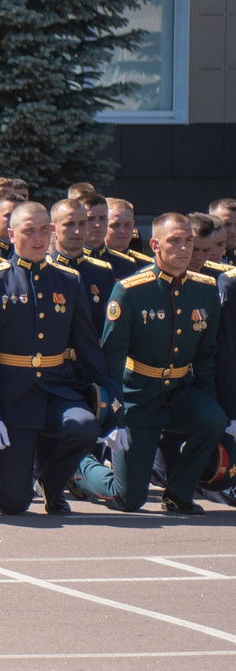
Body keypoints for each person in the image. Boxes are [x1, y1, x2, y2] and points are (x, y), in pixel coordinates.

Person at [75, 212, 224, 515]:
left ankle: (178, 493)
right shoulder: (130, 290)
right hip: (138, 397)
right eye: (175, 241)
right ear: (155, 244)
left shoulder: (205, 289)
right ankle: (76, 464)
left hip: (178, 391)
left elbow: (206, 355)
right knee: (127, 499)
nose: (184, 249)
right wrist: (113, 416)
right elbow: (112, 357)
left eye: (188, 241)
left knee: (214, 419)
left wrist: (211, 404)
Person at [0, 202, 108, 517]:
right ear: (12, 234)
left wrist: (113, 405)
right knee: (14, 504)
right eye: (29, 230)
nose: (39, 237)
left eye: (45, 229)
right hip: (11, 396)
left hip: (56, 389)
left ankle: (52, 485)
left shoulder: (68, 280)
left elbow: (87, 346)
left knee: (84, 427)